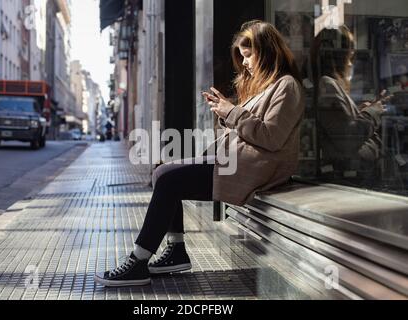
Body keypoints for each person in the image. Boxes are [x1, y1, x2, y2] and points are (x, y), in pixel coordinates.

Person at [94, 20, 305, 287]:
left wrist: (230, 111)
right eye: (242, 57)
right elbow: (247, 127)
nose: (245, 63)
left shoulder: (287, 86)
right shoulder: (266, 87)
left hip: (256, 169)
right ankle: (176, 251)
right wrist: (223, 111)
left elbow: (271, 137)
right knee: (162, 170)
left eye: (249, 56)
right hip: (236, 162)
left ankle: (139, 260)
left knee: (170, 180)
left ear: (266, 51)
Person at [311, 25, 389, 187]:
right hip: (345, 179)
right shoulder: (327, 85)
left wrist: (360, 111)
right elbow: (347, 139)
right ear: (340, 55)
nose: (352, 57)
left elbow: (340, 125)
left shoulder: (327, 84)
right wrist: (372, 112)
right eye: (349, 51)